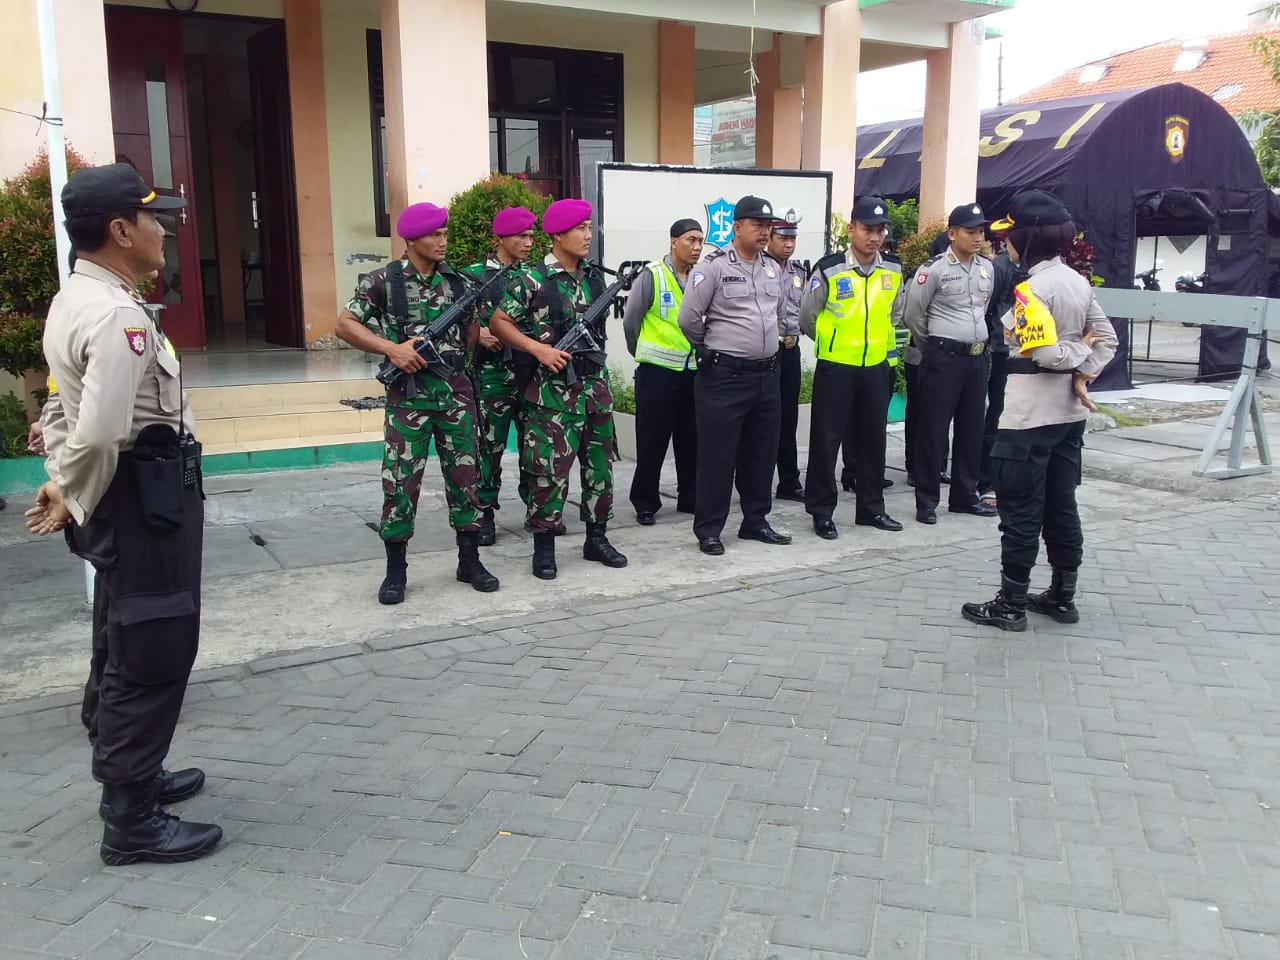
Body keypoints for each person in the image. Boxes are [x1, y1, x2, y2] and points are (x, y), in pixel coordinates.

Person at [24, 162, 222, 865]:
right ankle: (131, 819)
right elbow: (104, 429)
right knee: (153, 645)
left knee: (122, 636)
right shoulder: (114, 314)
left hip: (130, 496)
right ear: (119, 230)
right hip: (142, 501)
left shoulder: (78, 297)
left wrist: (63, 481)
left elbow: (62, 403)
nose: (162, 229)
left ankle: (138, 773)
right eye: (150, 218)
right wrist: (70, 490)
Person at [962, 189, 1117, 630]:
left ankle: (1010, 604)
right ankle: (1062, 597)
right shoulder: (1076, 281)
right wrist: (1084, 372)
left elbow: (1047, 355)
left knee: (1020, 513)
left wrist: (1073, 356)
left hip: (1028, 418)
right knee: (1061, 507)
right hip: (1068, 416)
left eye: (1009, 235)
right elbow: (1108, 339)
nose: (1003, 242)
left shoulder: (1032, 290)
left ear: (1026, 239)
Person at [336, 202, 498, 602]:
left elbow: (472, 332)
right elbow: (344, 324)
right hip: (408, 399)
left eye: (445, 234)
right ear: (411, 240)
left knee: (466, 479)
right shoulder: (383, 281)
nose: (443, 241)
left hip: (455, 395)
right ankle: (396, 570)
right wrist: (392, 349)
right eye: (434, 235)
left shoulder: (460, 283)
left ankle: (469, 560)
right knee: (400, 482)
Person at [489, 198, 627, 579]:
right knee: (548, 472)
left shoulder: (594, 277)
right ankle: (544, 548)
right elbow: (499, 322)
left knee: (600, 467)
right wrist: (538, 349)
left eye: (589, 228)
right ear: (558, 235)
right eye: (580, 229)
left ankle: (597, 538)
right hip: (552, 394)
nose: (587, 235)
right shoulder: (532, 279)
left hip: (594, 388)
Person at [677, 195, 790, 556]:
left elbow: (778, 313)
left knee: (762, 453)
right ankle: (709, 529)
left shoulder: (772, 268)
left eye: (768, 226)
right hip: (725, 377)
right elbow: (688, 319)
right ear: (737, 227)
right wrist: (713, 347)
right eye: (757, 225)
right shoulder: (712, 268)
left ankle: (755, 521)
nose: (764, 232)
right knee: (718, 456)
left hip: (766, 375)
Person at [799, 196, 904, 539]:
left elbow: (895, 314)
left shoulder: (893, 269)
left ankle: (871, 509)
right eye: (867, 229)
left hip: (875, 367)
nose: (874, 237)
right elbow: (807, 317)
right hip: (837, 367)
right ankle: (821, 511)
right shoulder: (830, 269)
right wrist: (832, 343)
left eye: (880, 230)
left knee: (873, 441)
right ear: (851, 229)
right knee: (826, 442)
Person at [905, 204, 998, 525]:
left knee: (972, 429)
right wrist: (933, 346)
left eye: (981, 231)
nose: (978, 237)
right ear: (952, 233)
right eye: (971, 232)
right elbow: (914, 314)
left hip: (976, 357)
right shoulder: (934, 270)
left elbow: (983, 309)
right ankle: (927, 501)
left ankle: (963, 496)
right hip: (943, 357)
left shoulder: (987, 269)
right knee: (933, 430)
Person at [462, 206, 536, 545]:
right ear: (501, 239)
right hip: (492, 375)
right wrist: (479, 334)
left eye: (531, 236)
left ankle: (538, 510)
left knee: (535, 446)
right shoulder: (473, 276)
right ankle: (485, 513)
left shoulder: (536, 275)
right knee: (489, 446)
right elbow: (456, 319)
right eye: (521, 236)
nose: (528, 242)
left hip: (531, 373)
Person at [623, 217, 702, 524]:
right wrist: (641, 353)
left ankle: (690, 497)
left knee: (691, 440)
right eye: (690, 240)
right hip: (656, 373)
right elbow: (631, 321)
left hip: (692, 371)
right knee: (652, 441)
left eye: (700, 241)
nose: (696, 247)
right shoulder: (652, 275)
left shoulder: (701, 277)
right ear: (673, 242)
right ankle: (645, 502)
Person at [977, 232, 1026, 508]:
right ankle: (987, 481)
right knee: (997, 416)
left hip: (1030, 350)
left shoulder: (1041, 267)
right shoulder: (1000, 268)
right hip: (1001, 349)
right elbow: (988, 308)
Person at [901, 230, 951, 488]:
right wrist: (929, 345)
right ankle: (915, 466)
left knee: (942, 415)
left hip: (947, 358)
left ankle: (938, 465)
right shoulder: (921, 275)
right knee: (919, 414)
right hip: (920, 355)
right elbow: (911, 315)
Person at [766, 207, 808, 503]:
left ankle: (789, 481)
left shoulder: (799, 273)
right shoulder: (758, 269)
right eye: (782, 237)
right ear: (769, 237)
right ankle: (755, 481)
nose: (789, 244)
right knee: (763, 419)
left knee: (788, 417)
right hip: (766, 352)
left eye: (792, 238)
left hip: (791, 350)